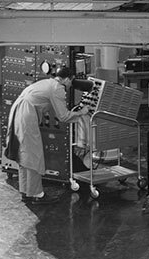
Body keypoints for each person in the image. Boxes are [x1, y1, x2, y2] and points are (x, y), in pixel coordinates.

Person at [5, 65, 89, 204]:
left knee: (24, 154)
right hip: (27, 116)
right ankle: (37, 195)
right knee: (33, 156)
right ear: (67, 79)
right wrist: (82, 112)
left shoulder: (46, 82)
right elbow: (63, 116)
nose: (70, 85)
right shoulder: (58, 88)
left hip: (17, 111)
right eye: (71, 81)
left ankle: (26, 191)